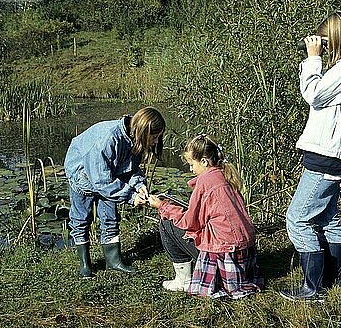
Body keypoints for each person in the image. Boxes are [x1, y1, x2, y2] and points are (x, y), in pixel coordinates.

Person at [280, 11, 341, 301]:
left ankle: (313, 288)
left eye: (326, 42)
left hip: (330, 153)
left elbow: (314, 94)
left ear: (336, 38)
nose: (325, 46)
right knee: (326, 217)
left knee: (297, 219)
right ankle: (331, 280)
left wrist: (312, 58)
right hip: (334, 151)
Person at [144, 134, 263, 299]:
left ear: (204, 161)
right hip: (244, 253)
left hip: (225, 253)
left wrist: (162, 206)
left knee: (167, 223)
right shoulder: (225, 175)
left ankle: (183, 280)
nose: (191, 169)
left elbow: (189, 222)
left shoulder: (206, 181)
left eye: (192, 163)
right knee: (178, 215)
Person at [65, 106, 165, 278]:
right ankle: (85, 265)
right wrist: (131, 196)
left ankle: (113, 261)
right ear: (143, 131)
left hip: (107, 175)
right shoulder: (108, 139)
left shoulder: (134, 137)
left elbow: (130, 169)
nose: (156, 142)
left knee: (110, 218)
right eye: (154, 137)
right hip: (81, 173)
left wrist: (139, 185)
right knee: (81, 218)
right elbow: (102, 182)